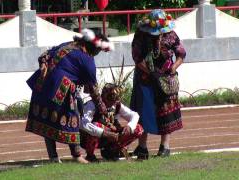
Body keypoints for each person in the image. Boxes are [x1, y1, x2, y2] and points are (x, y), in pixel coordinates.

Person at [26, 29, 114, 163]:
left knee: (47, 120)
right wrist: (103, 110)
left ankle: (53, 157)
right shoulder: (87, 60)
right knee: (73, 120)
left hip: (42, 85)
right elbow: (94, 91)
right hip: (60, 88)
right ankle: (77, 155)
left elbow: (44, 55)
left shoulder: (69, 45)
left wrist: (44, 66)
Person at [130, 9, 186, 159]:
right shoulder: (141, 35)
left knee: (165, 112)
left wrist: (173, 68)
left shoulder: (171, 35)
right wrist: (150, 73)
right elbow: (136, 56)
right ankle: (142, 148)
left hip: (166, 80)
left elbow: (181, 53)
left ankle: (165, 147)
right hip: (145, 79)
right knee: (144, 112)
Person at [79, 69, 143, 162]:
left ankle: (112, 150)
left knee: (138, 128)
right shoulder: (92, 104)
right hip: (92, 137)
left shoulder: (116, 105)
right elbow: (83, 123)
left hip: (111, 136)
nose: (112, 104)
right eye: (110, 100)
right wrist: (104, 133)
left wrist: (130, 126)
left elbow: (135, 115)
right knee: (97, 125)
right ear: (104, 96)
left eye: (115, 100)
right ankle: (90, 154)